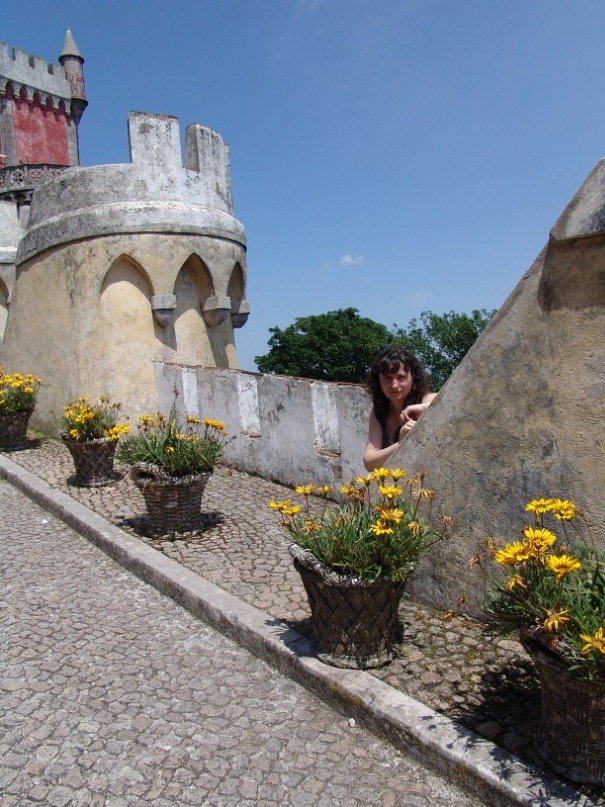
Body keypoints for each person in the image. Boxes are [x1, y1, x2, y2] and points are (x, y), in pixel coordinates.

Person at [363, 347, 436, 471]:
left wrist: (423, 408)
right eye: (387, 378)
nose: (394, 385)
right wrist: (401, 444)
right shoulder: (379, 412)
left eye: (401, 377)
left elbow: (454, 402)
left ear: (413, 378)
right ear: (378, 381)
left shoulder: (428, 400)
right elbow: (369, 462)